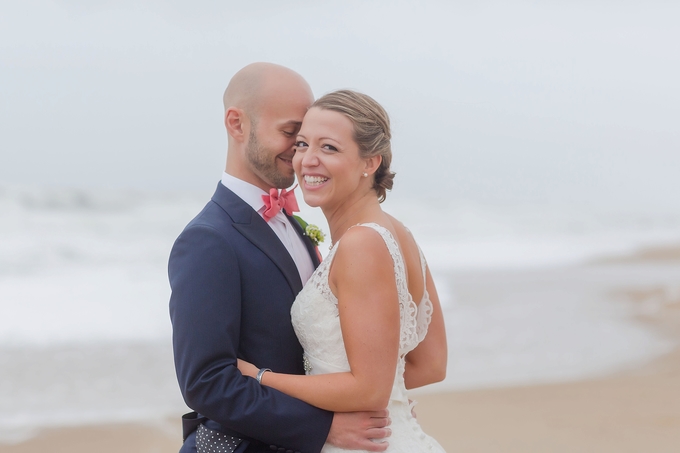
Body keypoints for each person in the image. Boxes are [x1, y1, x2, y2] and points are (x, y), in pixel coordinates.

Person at [168, 64, 392, 453]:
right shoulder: (207, 240)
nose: (301, 152)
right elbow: (206, 382)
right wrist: (322, 428)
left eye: (305, 138)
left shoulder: (296, 223)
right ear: (237, 125)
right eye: (291, 133)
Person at [237, 90, 448, 452]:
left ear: (370, 162)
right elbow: (430, 365)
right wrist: (390, 401)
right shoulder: (399, 233)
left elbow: (369, 388)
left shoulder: (361, 244)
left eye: (329, 148)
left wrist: (261, 378)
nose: (307, 160)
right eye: (302, 144)